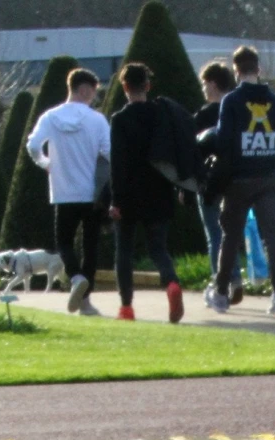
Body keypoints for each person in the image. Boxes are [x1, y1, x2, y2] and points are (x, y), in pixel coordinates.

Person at [208, 45, 275, 316]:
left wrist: (220, 179)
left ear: (236, 71)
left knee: (230, 237)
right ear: (259, 69)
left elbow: (224, 143)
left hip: (239, 178)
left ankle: (221, 292)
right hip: (269, 175)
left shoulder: (230, 102)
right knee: (273, 236)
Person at [26, 67, 111, 316]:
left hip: (63, 192)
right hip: (91, 193)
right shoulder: (97, 120)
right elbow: (109, 153)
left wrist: (46, 163)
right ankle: (85, 301)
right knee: (90, 246)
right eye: (93, 92)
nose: (94, 97)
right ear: (84, 89)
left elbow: (32, 146)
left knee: (64, 242)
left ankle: (75, 278)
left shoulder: (50, 117)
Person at [107, 62, 184, 323]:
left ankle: (126, 307)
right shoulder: (163, 114)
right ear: (148, 86)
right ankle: (171, 282)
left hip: (129, 193)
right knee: (158, 248)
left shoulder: (120, 119)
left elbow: (117, 163)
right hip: (160, 189)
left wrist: (115, 200)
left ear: (125, 87)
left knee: (124, 251)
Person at [195, 60, 243, 307]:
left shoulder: (204, 115)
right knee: (232, 233)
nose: (203, 88)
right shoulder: (238, 109)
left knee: (215, 235)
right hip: (237, 180)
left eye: (205, 83)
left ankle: (220, 283)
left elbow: (193, 154)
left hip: (209, 182)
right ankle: (235, 278)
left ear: (212, 84)